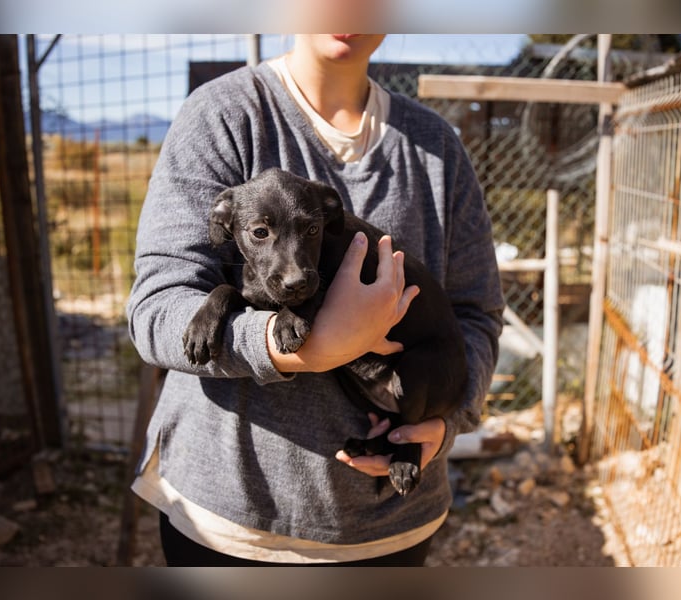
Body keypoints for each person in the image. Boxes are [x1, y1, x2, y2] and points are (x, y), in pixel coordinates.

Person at [126, 34, 504, 566]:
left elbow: (476, 314)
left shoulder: (436, 146)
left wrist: (445, 422)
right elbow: (156, 308)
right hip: (228, 525)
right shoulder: (224, 115)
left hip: (388, 527)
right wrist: (306, 348)